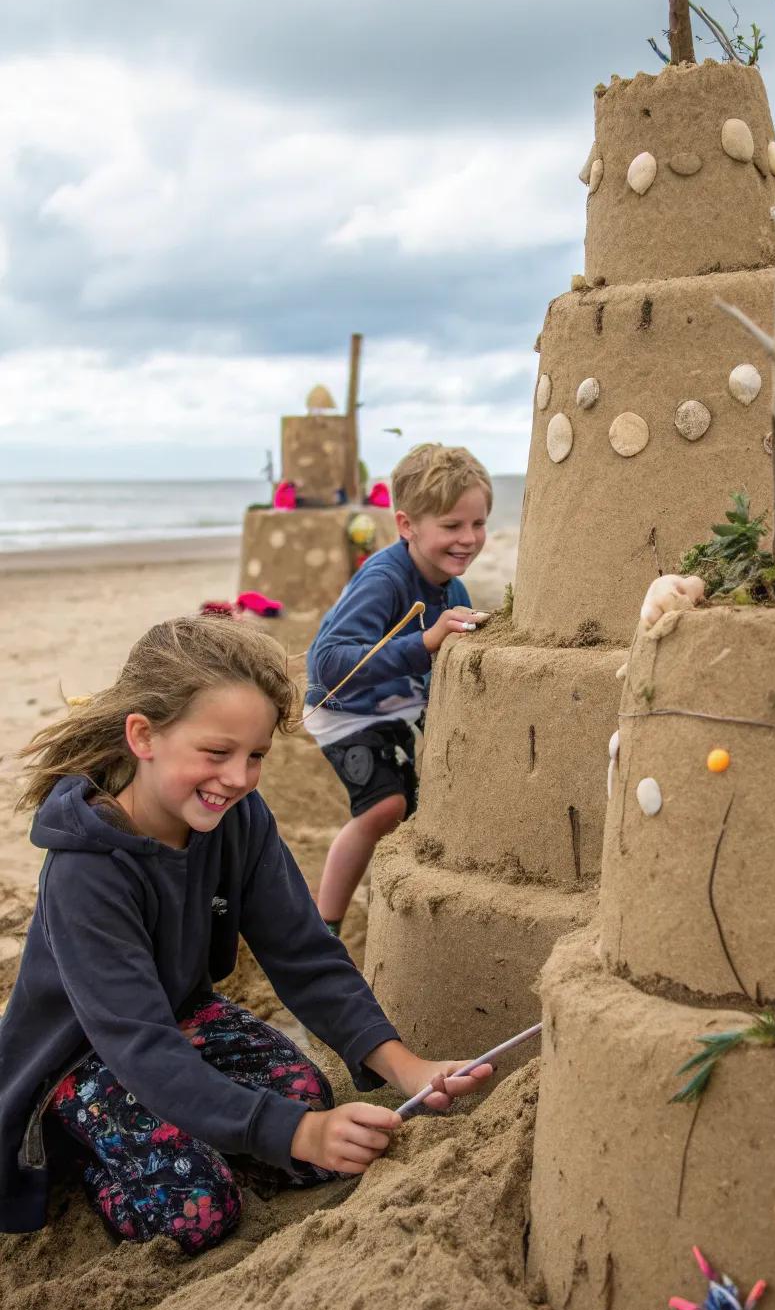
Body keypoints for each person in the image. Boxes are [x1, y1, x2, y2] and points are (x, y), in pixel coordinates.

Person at [0, 616, 490, 1253]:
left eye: (254, 756)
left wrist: (407, 1069)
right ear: (143, 736)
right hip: (83, 1059)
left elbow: (304, 954)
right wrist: (297, 1134)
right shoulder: (86, 871)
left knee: (308, 1100)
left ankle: (201, 1136)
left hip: (182, 1019)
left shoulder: (238, 817)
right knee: (199, 1211)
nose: (237, 777)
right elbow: (140, 1046)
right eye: (216, 753)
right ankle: (90, 1162)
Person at [305, 444, 491, 930]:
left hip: (398, 710)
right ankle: (326, 923)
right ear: (407, 525)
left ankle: (388, 905)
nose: (468, 539)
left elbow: (436, 673)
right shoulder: (383, 580)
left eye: (478, 524)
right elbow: (327, 662)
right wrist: (424, 642)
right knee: (384, 806)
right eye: (452, 526)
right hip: (346, 711)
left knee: (419, 805)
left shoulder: (455, 590)